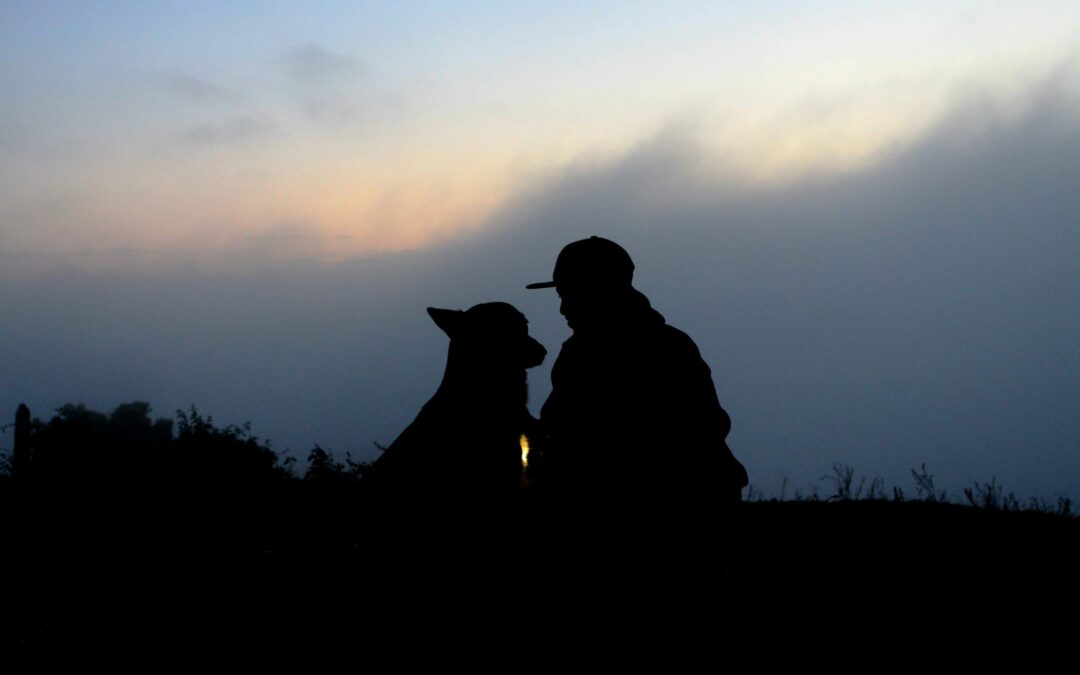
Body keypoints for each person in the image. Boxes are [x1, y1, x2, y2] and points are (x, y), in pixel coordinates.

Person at [526, 236, 747, 512]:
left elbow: (700, 429)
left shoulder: (662, 349)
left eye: (571, 295)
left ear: (600, 292)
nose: (563, 309)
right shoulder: (581, 352)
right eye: (562, 296)